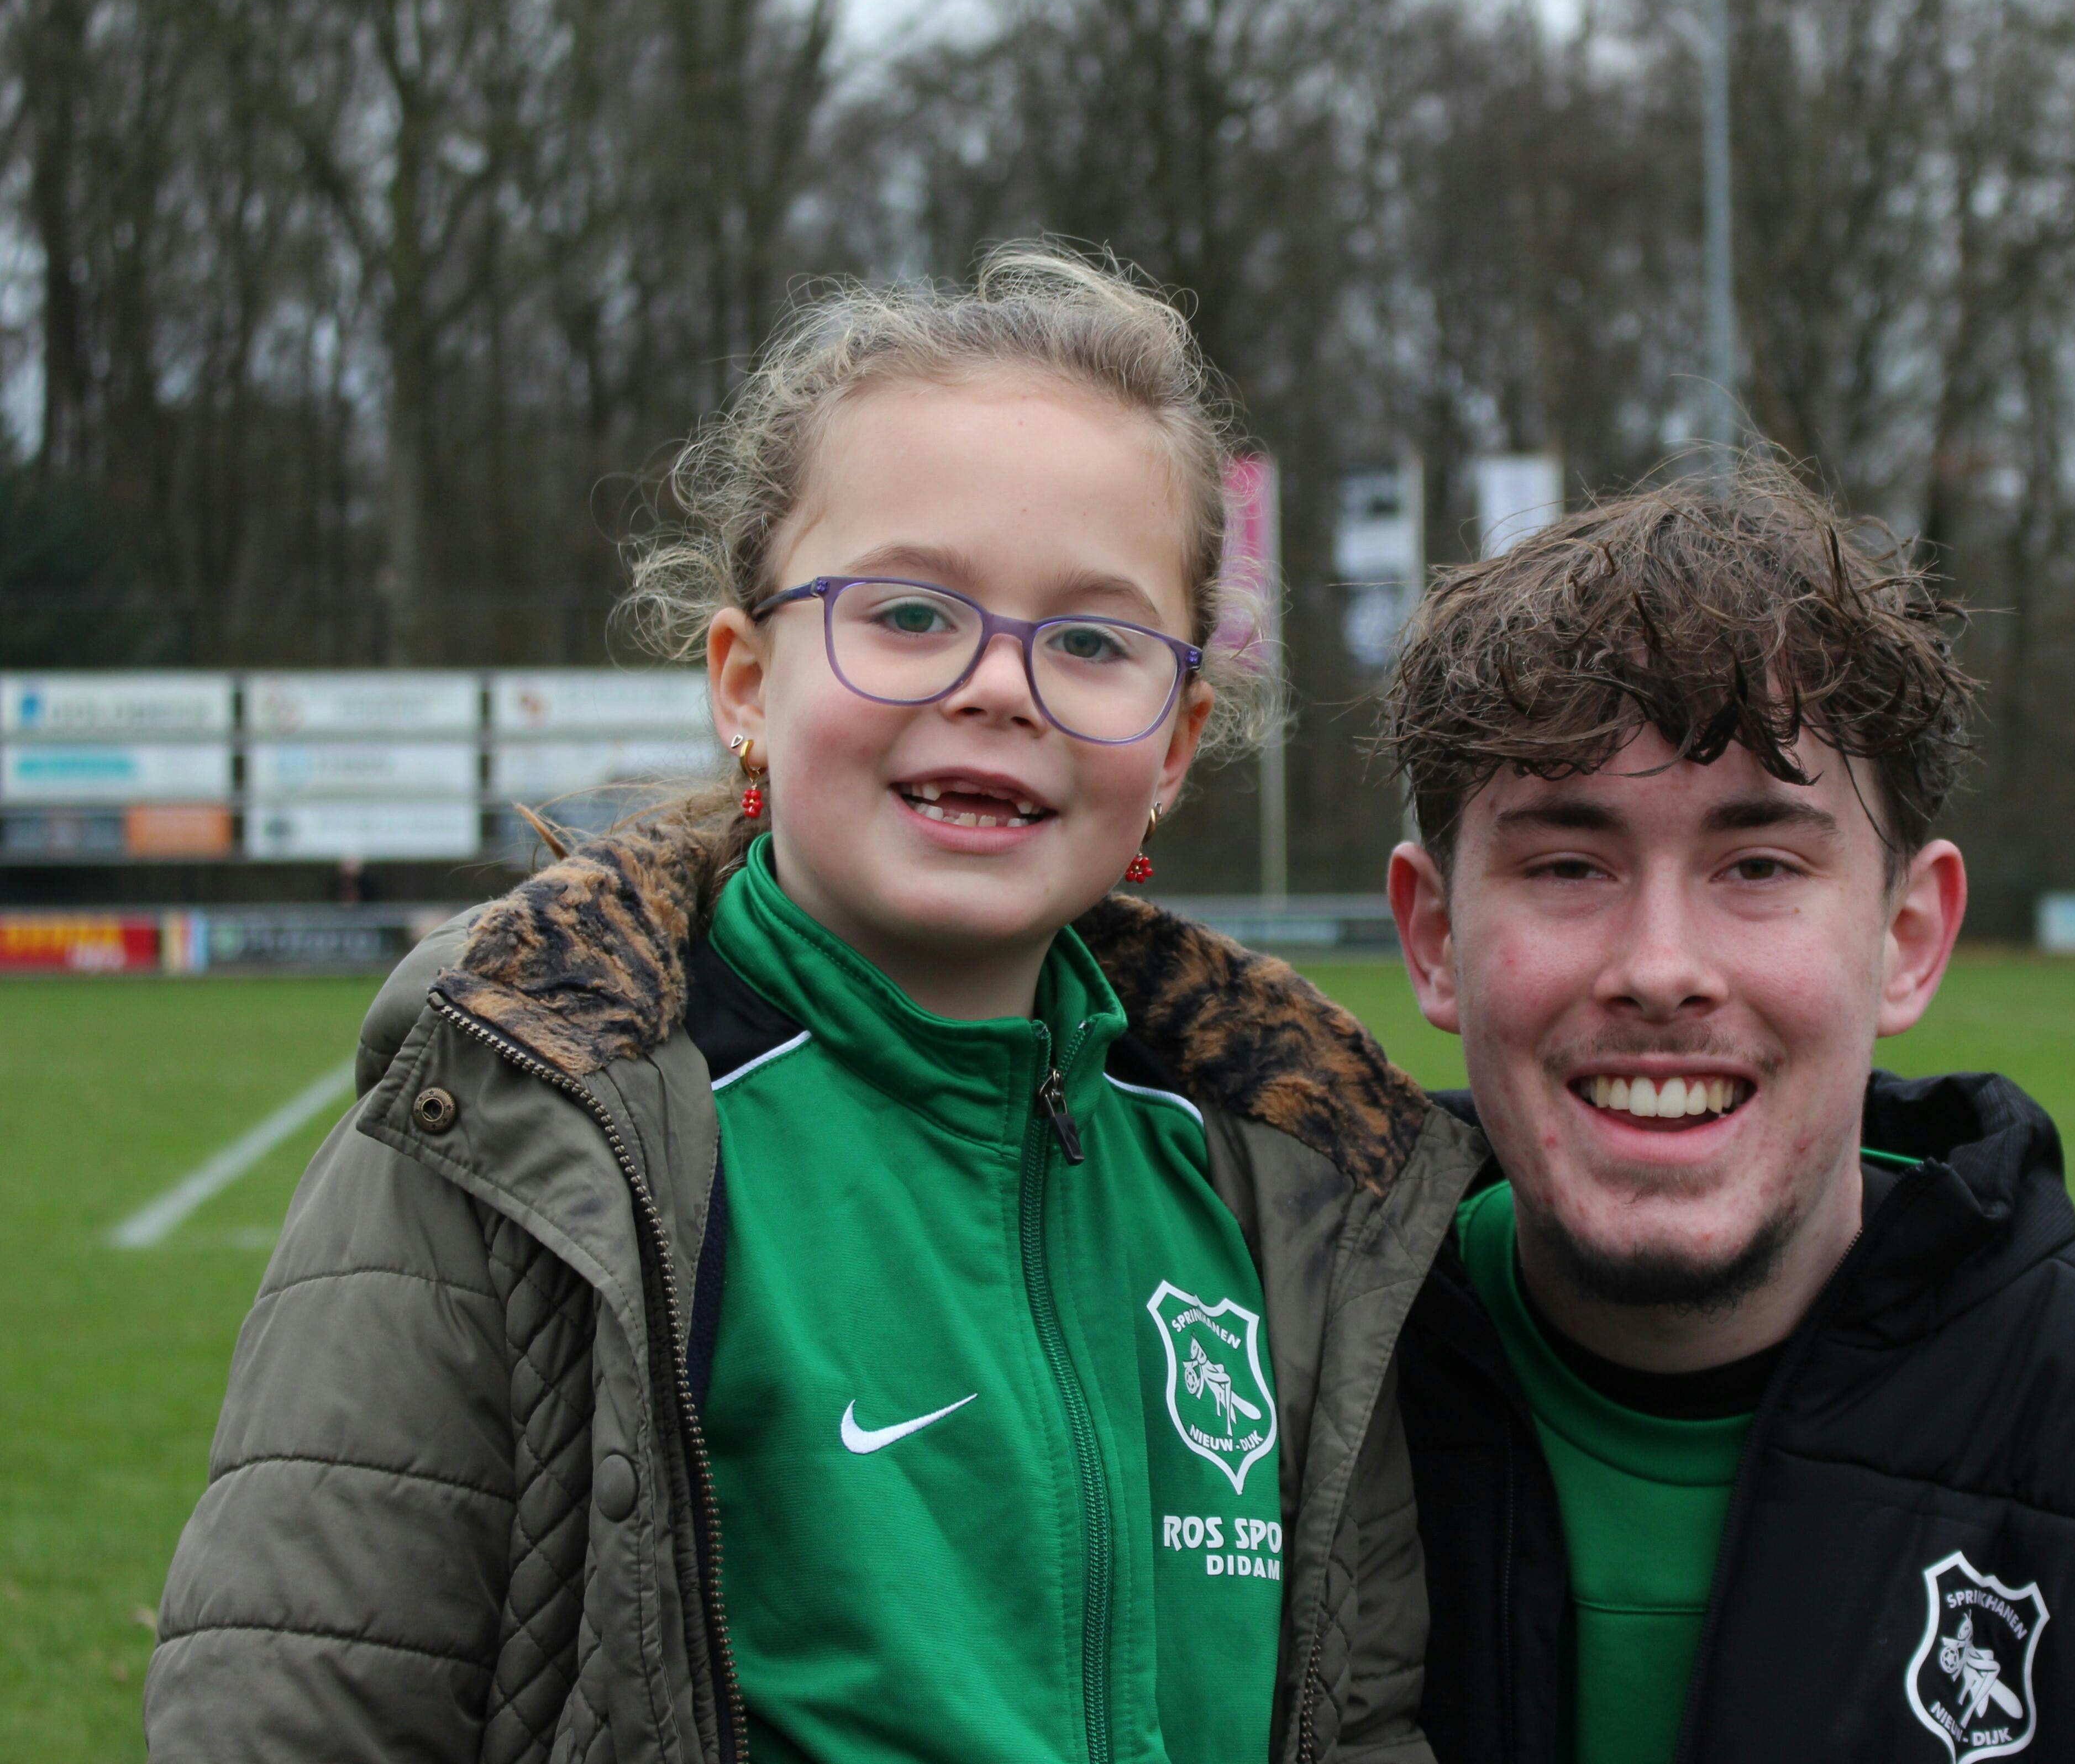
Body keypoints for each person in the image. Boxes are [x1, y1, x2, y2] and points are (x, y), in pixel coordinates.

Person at [146, 249, 1485, 1764]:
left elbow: (1360, 1716)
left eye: (1095, 642)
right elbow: (299, 1707)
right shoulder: (529, 1124)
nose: (1000, 686)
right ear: (743, 682)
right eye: (910, 613)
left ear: (1173, 746)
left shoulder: (1291, 1182)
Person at [1379, 461, 2075, 1764]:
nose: (1660, 966)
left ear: (1908, 937)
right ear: (1435, 938)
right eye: (1568, 865)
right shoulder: (1265, 1426)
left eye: (1760, 866)